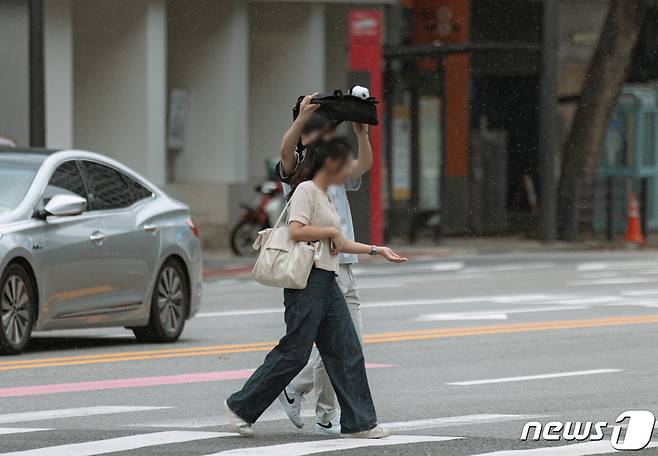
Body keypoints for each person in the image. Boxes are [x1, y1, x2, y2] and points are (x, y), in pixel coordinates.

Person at [224, 137, 407, 439]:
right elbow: (296, 230)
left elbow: (337, 243)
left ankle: (360, 422)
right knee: (295, 353)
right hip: (306, 281)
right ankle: (241, 408)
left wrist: (378, 250)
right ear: (330, 162)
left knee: (347, 350)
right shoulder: (306, 190)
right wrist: (329, 230)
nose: (349, 169)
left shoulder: (326, 195)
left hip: (327, 280)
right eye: (345, 162)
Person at [274, 94, 373, 435]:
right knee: (335, 344)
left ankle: (299, 388)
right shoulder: (300, 166)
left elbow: (362, 167)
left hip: (343, 262)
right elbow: (285, 152)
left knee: (347, 343)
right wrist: (301, 118)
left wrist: (362, 134)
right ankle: (326, 412)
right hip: (316, 266)